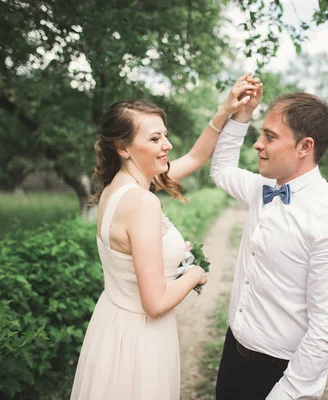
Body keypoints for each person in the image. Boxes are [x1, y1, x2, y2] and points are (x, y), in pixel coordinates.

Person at [70, 74, 261, 400]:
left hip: (111, 324)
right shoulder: (142, 202)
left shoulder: (116, 187)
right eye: (156, 139)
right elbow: (155, 303)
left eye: (166, 136)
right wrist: (194, 274)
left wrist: (227, 110)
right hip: (139, 338)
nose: (168, 145)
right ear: (123, 147)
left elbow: (197, 158)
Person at [211, 88, 328, 399]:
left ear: (305, 146)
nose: (258, 144)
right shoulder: (262, 188)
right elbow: (221, 171)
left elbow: (325, 332)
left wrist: (284, 394)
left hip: (280, 375)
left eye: (269, 136)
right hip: (233, 354)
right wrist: (241, 115)